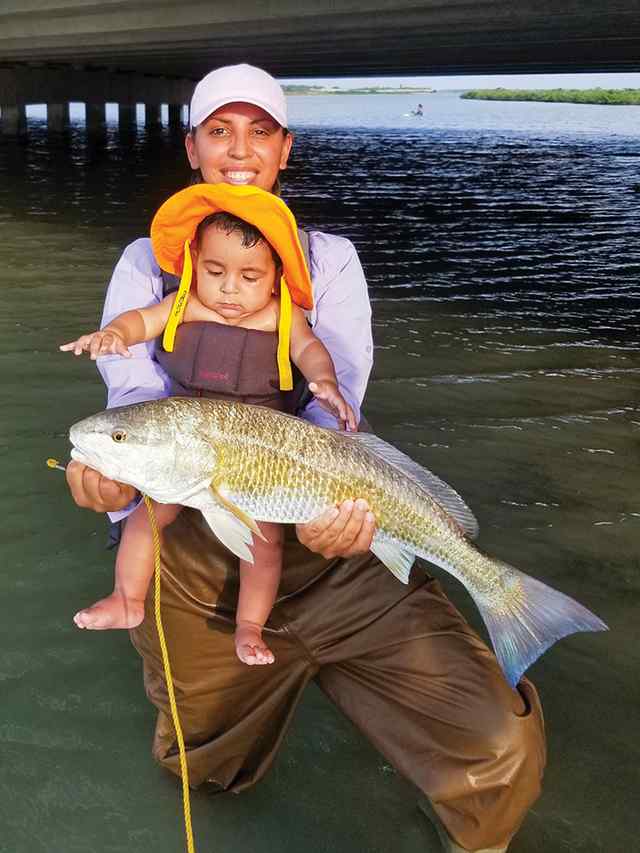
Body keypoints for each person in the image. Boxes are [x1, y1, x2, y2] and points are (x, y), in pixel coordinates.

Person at [65, 63, 546, 853]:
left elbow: (337, 409)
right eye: (220, 130)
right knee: (202, 772)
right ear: (192, 147)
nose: (240, 149)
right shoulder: (148, 267)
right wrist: (113, 481)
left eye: (260, 131)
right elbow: (132, 406)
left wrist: (348, 516)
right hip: (199, 555)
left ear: (286, 148)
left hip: (338, 546)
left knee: (499, 750)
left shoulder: (330, 263)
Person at [61, 184, 356, 666]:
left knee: (264, 539)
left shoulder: (283, 317)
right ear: (194, 261)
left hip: (258, 454)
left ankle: (248, 626)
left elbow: (309, 351)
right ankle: (127, 598)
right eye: (214, 271)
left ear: (277, 275)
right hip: (184, 445)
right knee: (149, 516)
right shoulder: (183, 303)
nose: (229, 289)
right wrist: (112, 334)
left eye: (249, 276)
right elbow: (139, 320)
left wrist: (324, 381)